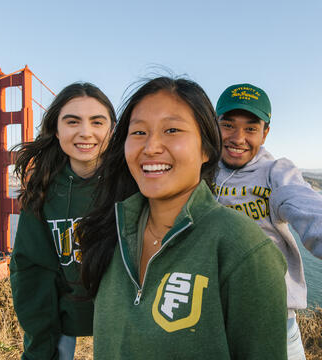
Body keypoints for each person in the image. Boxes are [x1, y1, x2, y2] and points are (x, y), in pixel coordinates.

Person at [77, 76, 288, 359]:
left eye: (172, 130)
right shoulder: (110, 232)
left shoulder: (242, 247)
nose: (151, 147)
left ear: (206, 149)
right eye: (138, 132)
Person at [213, 83, 322, 360]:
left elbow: (307, 208)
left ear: (265, 132)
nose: (238, 138)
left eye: (250, 128)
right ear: (214, 125)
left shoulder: (276, 173)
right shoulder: (201, 170)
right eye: (228, 125)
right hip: (213, 321)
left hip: (275, 324)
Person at [10, 82, 116, 360]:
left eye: (97, 122)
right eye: (72, 122)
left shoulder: (132, 185)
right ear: (56, 130)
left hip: (124, 316)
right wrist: (40, 344)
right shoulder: (42, 192)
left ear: (112, 130)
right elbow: (32, 271)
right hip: (63, 318)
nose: (85, 132)